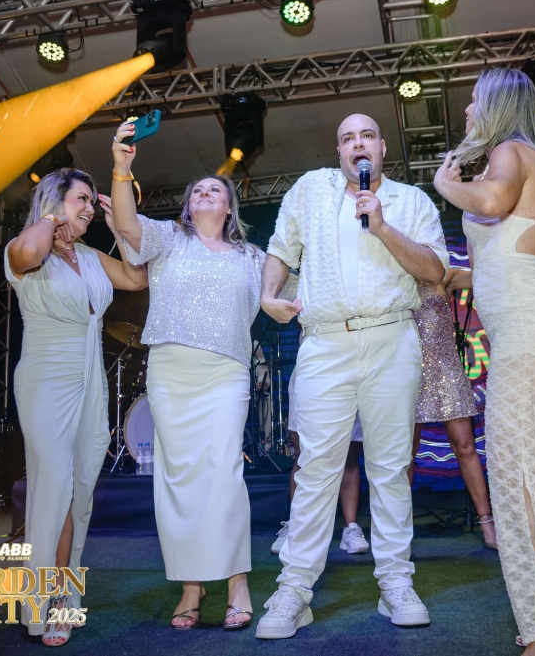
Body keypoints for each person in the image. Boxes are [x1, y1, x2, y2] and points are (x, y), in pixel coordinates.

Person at [255, 113, 448, 639]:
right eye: (346, 138)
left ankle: (395, 584)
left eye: (366, 136)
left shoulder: (412, 201)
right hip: (324, 342)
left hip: (392, 337)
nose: (357, 144)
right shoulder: (310, 190)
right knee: (316, 468)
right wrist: (268, 295)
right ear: (338, 150)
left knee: (390, 468)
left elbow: (435, 271)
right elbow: (280, 249)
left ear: (382, 147)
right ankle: (294, 590)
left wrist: (381, 225)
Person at [434, 68, 535, 656]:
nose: (467, 111)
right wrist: (452, 276)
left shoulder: (510, 152)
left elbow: (491, 202)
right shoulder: (527, 160)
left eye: (475, 101)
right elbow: (516, 256)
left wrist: (445, 183)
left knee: (519, 478)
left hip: (529, 333)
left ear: (499, 106)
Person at [109, 121, 264, 631]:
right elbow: (126, 224)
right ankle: (191, 587)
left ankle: (237, 582)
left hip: (225, 371)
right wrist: (122, 169)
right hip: (172, 371)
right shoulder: (170, 239)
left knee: (224, 474)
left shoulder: (252, 258)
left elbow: (295, 288)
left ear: (229, 208)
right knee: (177, 479)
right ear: (188, 205)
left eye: (215, 189)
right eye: (197, 190)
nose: (204, 192)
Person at [5, 168, 148, 646]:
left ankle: (65, 594)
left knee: (79, 492)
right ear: (55, 200)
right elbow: (27, 254)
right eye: (81, 199)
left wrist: (120, 227)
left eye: (92, 200)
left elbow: (135, 278)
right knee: (54, 487)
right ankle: (40, 603)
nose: (89, 207)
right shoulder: (27, 246)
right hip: (46, 380)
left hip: (91, 383)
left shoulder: (88, 256)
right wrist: (51, 219)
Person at [408, 279, 497, 549]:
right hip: (408, 369)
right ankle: (399, 527)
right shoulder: (394, 277)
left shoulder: (442, 276)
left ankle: (487, 522)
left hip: (446, 369)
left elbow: (484, 270)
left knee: (465, 445)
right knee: (405, 452)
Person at [272, 406, 370, 556]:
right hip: (306, 392)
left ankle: (350, 529)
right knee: (302, 454)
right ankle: (295, 527)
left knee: (349, 454)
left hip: (347, 392)